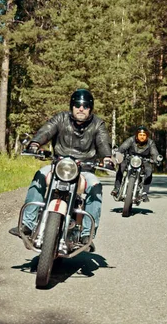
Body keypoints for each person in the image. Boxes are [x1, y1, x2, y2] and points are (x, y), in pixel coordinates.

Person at [18, 89, 113, 246]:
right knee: (40, 175)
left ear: (90, 108)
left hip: (84, 170)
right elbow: (47, 130)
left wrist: (107, 158)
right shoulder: (61, 118)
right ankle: (27, 223)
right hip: (59, 166)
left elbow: (103, 141)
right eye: (77, 105)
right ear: (72, 106)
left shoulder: (97, 124)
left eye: (85, 105)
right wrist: (35, 143)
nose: (80, 108)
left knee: (96, 186)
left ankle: (87, 234)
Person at [111, 125, 160, 202]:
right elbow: (122, 148)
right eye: (140, 135)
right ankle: (116, 188)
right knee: (121, 166)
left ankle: (144, 192)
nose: (142, 137)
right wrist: (118, 153)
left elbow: (154, 152)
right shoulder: (131, 140)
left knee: (149, 171)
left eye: (144, 135)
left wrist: (156, 159)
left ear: (147, 136)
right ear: (137, 135)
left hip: (144, 161)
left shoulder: (150, 142)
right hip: (130, 158)